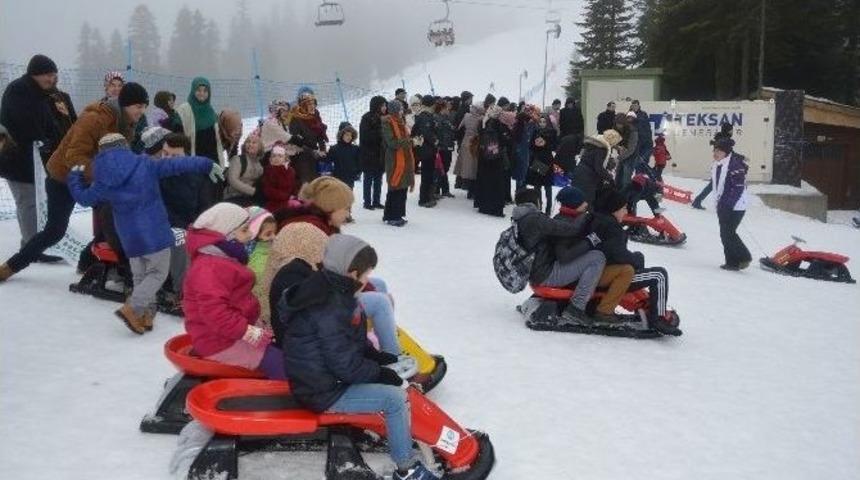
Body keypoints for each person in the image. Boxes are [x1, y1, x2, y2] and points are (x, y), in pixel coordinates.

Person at [280, 234, 440, 480]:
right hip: (322, 390)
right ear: (352, 273)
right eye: (366, 275)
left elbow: (348, 341)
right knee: (395, 399)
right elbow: (344, 365)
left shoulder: (334, 291)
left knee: (393, 387)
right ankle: (406, 468)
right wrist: (379, 373)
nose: (368, 281)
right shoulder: (328, 305)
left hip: (328, 378)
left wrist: (377, 357)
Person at [67, 133, 222, 333]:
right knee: (157, 274)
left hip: (128, 236)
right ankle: (133, 309)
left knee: (141, 275)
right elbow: (178, 165)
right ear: (125, 146)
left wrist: (74, 178)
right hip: (153, 231)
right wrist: (207, 164)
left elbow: (85, 198)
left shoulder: (103, 178)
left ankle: (146, 315)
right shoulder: (145, 164)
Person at [1, 81, 148, 282]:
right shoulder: (94, 119)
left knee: (115, 212)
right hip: (63, 177)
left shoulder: (126, 124)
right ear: (125, 104)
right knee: (54, 232)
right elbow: (74, 156)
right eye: (138, 106)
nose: (142, 111)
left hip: (89, 177)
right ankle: (10, 267)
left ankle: (91, 261)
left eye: (144, 107)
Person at [183, 203, 285, 379]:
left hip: (232, 330)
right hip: (220, 340)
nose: (251, 234)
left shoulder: (223, 258)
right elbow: (215, 313)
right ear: (227, 235)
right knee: (283, 365)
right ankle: (290, 396)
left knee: (283, 348)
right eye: (245, 230)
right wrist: (247, 332)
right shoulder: (210, 267)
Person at [0, 55, 71, 264]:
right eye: (48, 75)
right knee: (28, 201)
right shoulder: (19, 90)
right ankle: (31, 246)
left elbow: (49, 123)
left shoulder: (40, 94)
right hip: (15, 159)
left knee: (34, 200)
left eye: (54, 75)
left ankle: (33, 243)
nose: (52, 79)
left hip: (32, 159)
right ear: (36, 74)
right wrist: (42, 138)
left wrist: (58, 140)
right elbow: (23, 122)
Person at [587, 189, 679, 334]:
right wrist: (636, 261)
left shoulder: (601, 220)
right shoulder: (611, 227)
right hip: (606, 274)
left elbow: (615, 252)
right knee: (659, 275)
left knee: (638, 258)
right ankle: (658, 318)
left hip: (600, 271)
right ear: (614, 209)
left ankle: (649, 307)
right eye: (623, 208)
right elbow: (617, 254)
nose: (626, 211)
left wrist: (636, 257)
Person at [512, 187, 606, 323]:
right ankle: (576, 308)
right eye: (583, 202)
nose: (586, 205)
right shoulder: (536, 219)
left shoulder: (523, 218)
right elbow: (570, 235)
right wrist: (590, 234)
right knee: (597, 258)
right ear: (536, 202)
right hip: (546, 274)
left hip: (538, 272)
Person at [142, 128, 204, 311]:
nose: (168, 160)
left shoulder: (197, 175)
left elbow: (204, 204)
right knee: (180, 239)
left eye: (174, 156)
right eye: (165, 154)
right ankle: (182, 292)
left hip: (189, 223)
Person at [553, 187, 635, 323]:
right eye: (582, 202)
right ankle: (585, 309)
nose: (586, 204)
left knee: (601, 259)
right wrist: (590, 241)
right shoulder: (568, 223)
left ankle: (594, 307)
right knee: (619, 267)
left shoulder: (579, 220)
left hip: (571, 268)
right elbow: (565, 255)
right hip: (566, 271)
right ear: (574, 204)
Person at [176, 77, 226, 211]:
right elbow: (177, 133)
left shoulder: (211, 110)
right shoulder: (184, 109)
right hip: (196, 160)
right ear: (193, 91)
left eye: (205, 90)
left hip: (214, 159)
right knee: (203, 199)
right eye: (198, 90)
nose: (202, 93)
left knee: (217, 196)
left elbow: (217, 140)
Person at [711, 137, 752, 271]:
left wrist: (727, 205)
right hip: (723, 204)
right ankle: (732, 262)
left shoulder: (734, 165)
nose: (715, 153)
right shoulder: (719, 164)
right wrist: (720, 204)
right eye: (714, 150)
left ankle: (744, 256)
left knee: (728, 233)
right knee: (725, 233)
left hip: (736, 206)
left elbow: (737, 188)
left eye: (718, 151)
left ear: (726, 152)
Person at [381, 100, 419, 227]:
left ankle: (398, 214)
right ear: (395, 110)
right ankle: (392, 216)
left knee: (402, 188)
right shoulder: (387, 123)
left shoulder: (401, 122)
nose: (402, 111)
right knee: (395, 187)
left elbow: (404, 139)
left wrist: (412, 140)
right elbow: (392, 143)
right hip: (395, 160)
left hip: (404, 158)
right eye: (401, 109)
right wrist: (411, 142)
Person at [571, 130, 623, 207]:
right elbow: (598, 168)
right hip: (587, 178)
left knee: (577, 200)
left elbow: (594, 161)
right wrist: (610, 178)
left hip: (580, 172)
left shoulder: (593, 145)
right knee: (587, 203)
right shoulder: (602, 149)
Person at [289, 87, 329, 185]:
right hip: (301, 155)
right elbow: (296, 140)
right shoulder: (296, 118)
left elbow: (320, 134)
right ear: (303, 105)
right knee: (306, 183)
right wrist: (312, 151)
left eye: (313, 103)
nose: (312, 106)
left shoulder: (315, 116)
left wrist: (322, 150)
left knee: (318, 182)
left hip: (315, 154)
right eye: (309, 104)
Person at [693, 122, 733, 209]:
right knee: (715, 185)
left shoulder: (722, 139)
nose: (732, 131)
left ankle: (698, 201)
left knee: (718, 185)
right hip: (721, 166)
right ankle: (698, 201)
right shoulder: (723, 140)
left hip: (721, 165)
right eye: (731, 130)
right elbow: (724, 153)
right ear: (727, 130)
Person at [245, 206, 277, 310]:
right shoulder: (248, 250)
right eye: (268, 234)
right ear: (254, 232)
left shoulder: (273, 245)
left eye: (274, 232)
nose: (273, 237)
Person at [359, 96, 387, 210]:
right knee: (368, 179)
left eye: (385, 105)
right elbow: (365, 136)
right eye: (383, 105)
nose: (385, 108)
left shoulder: (384, 118)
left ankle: (376, 201)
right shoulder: (367, 118)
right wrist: (380, 132)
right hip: (369, 154)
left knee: (378, 179)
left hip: (380, 154)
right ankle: (367, 202)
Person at [527, 114, 558, 215]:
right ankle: (538, 207)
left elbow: (554, 146)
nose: (542, 124)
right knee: (537, 186)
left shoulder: (552, 133)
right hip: (537, 161)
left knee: (548, 187)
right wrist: (536, 144)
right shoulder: (535, 132)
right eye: (540, 122)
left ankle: (548, 210)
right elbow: (530, 146)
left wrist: (545, 143)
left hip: (547, 162)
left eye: (544, 122)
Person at [412, 95, 438, 207]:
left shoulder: (424, 115)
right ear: (431, 104)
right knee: (427, 174)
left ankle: (427, 196)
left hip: (426, 149)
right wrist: (435, 140)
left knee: (428, 173)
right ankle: (424, 199)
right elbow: (426, 132)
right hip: (426, 149)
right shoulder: (425, 116)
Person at [224, 133, 265, 207]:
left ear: (260, 147)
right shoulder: (237, 159)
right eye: (248, 142)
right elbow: (233, 181)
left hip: (249, 198)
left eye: (254, 142)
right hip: (233, 197)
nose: (250, 144)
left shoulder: (260, 167)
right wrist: (254, 191)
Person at [453, 104, 484, 198]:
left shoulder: (466, 116)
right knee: (474, 167)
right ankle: (472, 191)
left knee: (466, 166)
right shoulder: (481, 119)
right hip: (474, 143)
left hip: (465, 142)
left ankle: (466, 186)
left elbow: (459, 127)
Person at [262, 143, 299, 213]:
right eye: (274, 156)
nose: (277, 158)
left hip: (289, 200)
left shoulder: (290, 171)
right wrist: (287, 196)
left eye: (280, 156)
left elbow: (294, 186)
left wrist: (294, 196)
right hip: (274, 202)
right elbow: (268, 190)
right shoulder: (269, 170)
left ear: (285, 158)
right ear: (270, 159)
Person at [328, 122, 361, 197]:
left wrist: (357, 172)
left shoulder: (355, 149)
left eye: (351, 135)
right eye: (346, 134)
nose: (349, 137)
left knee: (348, 199)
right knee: (338, 199)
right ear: (341, 135)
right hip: (337, 179)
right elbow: (328, 162)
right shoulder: (334, 149)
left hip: (350, 179)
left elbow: (359, 163)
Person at [434, 98, 456, 198]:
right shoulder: (437, 118)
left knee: (445, 168)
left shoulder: (447, 117)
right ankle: (437, 190)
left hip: (448, 146)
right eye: (447, 107)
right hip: (441, 147)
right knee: (440, 168)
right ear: (442, 108)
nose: (449, 109)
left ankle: (445, 189)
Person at [614, 112, 639, 189]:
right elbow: (612, 142)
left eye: (620, 124)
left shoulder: (633, 131)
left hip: (631, 156)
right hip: (622, 155)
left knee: (626, 179)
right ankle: (616, 196)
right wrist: (618, 147)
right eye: (617, 123)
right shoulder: (615, 129)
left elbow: (631, 149)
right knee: (617, 177)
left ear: (624, 123)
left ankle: (626, 198)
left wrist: (619, 158)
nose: (618, 126)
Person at [629, 100, 653, 165]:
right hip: (635, 141)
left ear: (639, 106)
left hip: (645, 140)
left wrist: (649, 138)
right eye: (633, 105)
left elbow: (648, 127)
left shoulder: (643, 114)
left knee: (645, 159)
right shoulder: (629, 114)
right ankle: (638, 173)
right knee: (637, 159)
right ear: (631, 106)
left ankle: (642, 174)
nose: (635, 107)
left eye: (636, 105)